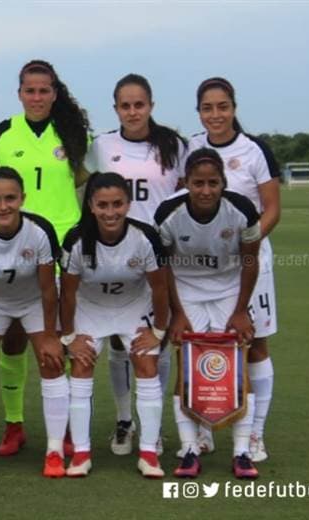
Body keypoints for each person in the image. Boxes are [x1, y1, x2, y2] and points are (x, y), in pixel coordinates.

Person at [0, 59, 90, 455]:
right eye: (30, 90)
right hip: (15, 247)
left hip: (65, 246)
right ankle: (14, 424)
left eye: (44, 90)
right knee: (13, 338)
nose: (37, 97)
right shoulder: (1, 135)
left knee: (65, 335)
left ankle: (73, 428)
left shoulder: (75, 135)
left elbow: (83, 180)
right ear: (20, 92)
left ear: (54, 93)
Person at [85, 73, 187, 456]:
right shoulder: (103, 146)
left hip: (159, 255)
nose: (132, 111)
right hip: (115, 255)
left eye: (139, 104)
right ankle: (125, 419)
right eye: (125, 105)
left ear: (151, 106)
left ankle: (153, 427)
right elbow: (91, 196)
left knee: (154, 342)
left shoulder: (174, 145)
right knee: (117, 340)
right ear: (116, 109)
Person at [188, 77, 280, 463]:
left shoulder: (255, 149)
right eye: (208, 108)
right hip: (201, 264)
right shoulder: (191, 147)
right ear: (199, 112)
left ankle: (255, 434)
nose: (216, 115)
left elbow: (272, 207)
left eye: (222, 106)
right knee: (202, 341)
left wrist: (249, 240)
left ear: (234, 107)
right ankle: (203, 428)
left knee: (254, 341)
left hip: (249, 259)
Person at [154, 148, 261, 479]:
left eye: (213, 183)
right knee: (187, 370)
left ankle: (242, 453)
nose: (205, 190)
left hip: (228, 289)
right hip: (186, 290)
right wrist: (177, 313)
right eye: (198, 183)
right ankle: (189, 449)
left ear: (223, 182)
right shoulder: (168, 213)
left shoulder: (241, 209)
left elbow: (250, 260)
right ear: (186, 182)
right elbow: (164, 265)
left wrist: (242, 309)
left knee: (236, 369)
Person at [0, 167, 68, 479]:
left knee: (52, 362)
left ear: (22, 198)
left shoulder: (40, 231)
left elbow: (48, 289)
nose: (2, 206)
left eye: (10, 198)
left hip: (33, 300)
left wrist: (48, 336)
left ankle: (56, 451)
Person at [60, 172, 169, 478]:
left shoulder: (145, 237)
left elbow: (160, 289)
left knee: (146, 365)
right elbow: (67, 293)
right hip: (90, 309)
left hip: (134, 307)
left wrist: (158, 332)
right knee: (81, 367)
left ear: (128, 204)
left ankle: (149, 452)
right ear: (91, 206)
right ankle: (81, 454)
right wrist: (69, 337)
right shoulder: (77, 239)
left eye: (117, 204)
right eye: (103, 205)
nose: (111, 212)